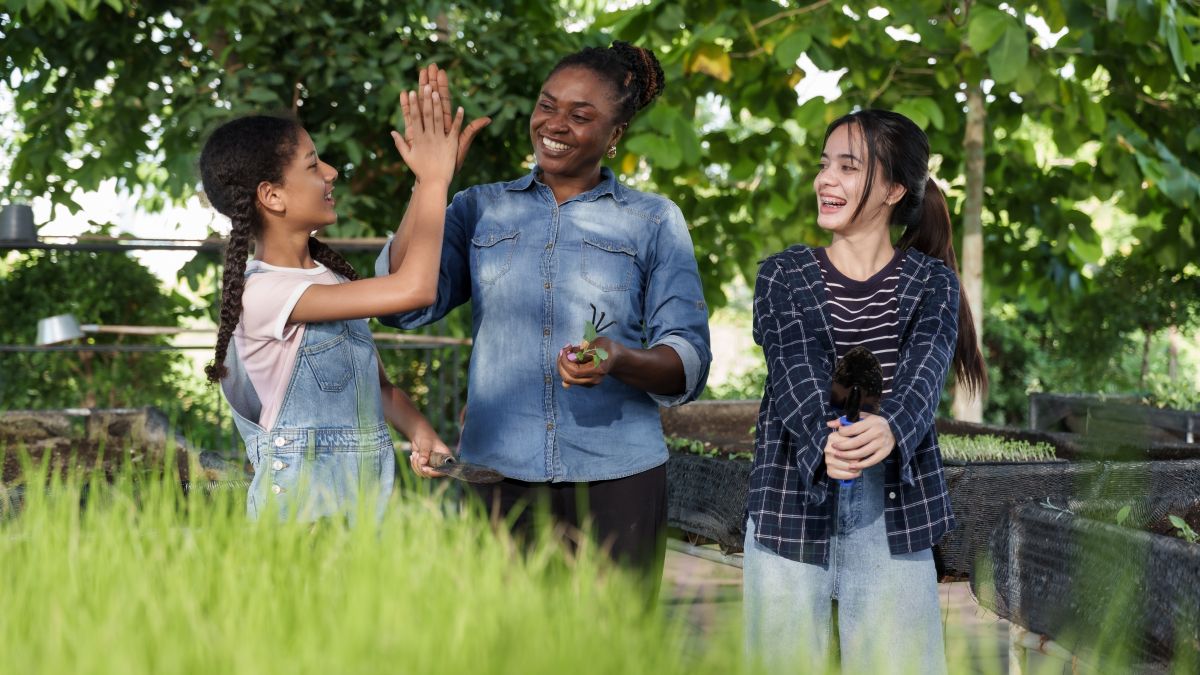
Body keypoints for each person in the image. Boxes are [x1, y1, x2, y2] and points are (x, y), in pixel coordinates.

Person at [377, 42, 711, 582]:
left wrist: (617, 357)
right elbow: (398, 304)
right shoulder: (477, 207)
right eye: (547, 104)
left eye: (581, 115)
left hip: (618, 478)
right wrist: (430, 183)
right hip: (496, 479)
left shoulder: (653, 220)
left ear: (616, 133)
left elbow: (688, 360)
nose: (554, 124)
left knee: (613, 655)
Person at [743, 109, 987, 674]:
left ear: (894, 189)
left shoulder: (932, 283)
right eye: (825, 164)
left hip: (892, 513)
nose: (826, 180)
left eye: (848, 167)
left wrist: (892, 425)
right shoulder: (784, 275)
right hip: (790, 503)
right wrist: (823, 439)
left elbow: (925, 376)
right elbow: (794, 367)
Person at [198, 83, 465, 522]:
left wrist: (420, 431)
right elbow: (414, 289)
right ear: (272, 196)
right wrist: (436, 182)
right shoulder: (262, 293)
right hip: (298, 513)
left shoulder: (330, 280)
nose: (331, 171)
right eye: (312, 165)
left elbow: (376, 388)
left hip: (360, 509)